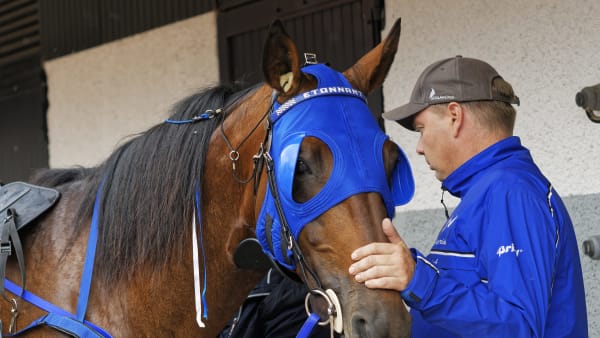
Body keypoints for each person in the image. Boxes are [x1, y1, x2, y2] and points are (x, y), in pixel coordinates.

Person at [348, 56, 588, 337]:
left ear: (454, 117)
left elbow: (519, 327)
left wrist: (419, 280)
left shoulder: (510, 191)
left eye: (421, 129)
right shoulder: (488, 192)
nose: (420, 148)